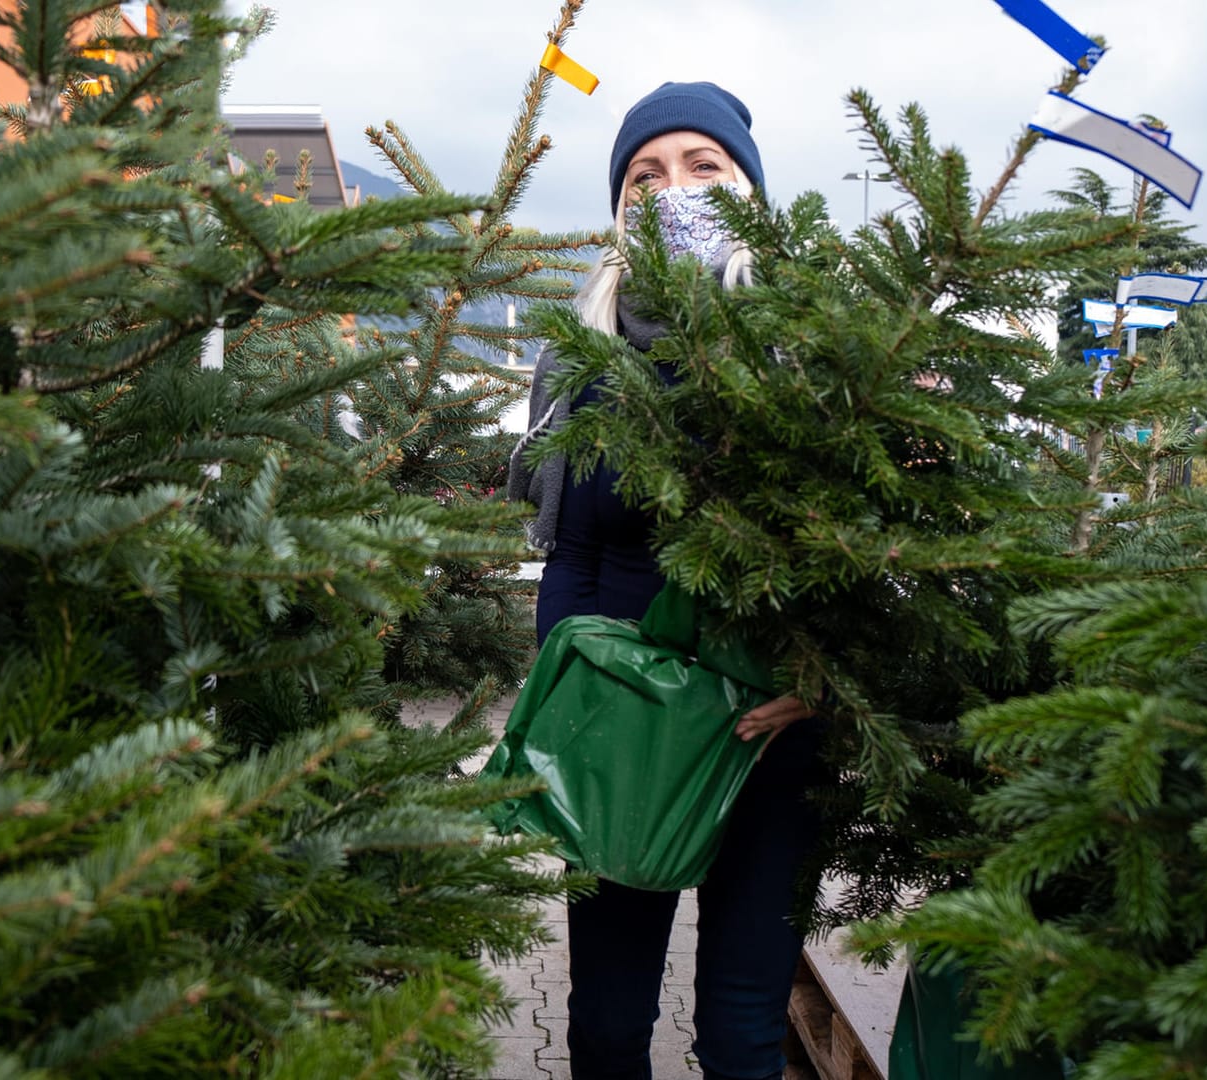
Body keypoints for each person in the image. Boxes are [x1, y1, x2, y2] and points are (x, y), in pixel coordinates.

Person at [506, 81, 830, 1080]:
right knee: (605, 1024)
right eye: (643, 174)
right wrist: (563, 703)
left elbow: (858, 547)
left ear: (748, 191)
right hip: (625, 732)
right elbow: (570, 552)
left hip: (767, 732)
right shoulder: (583, 354)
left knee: (740, 1026)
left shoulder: (804, 341)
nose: (669, 189)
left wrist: (823, 677)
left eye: (702, 167)